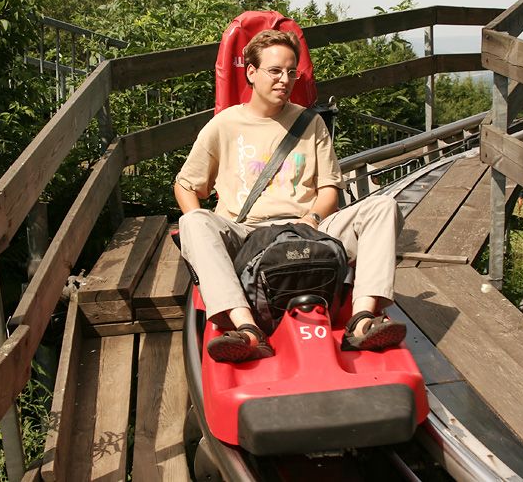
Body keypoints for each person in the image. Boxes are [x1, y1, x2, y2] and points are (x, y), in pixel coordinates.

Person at [174, 29, 406, 363]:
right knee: (193, 221)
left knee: (383, 206)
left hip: (308, 229)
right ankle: (246, 328)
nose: (284, 80)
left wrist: (312, 218)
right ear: (251, 72)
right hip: (247, 233)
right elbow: (185, 185)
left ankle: (362, 320)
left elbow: (329, 189)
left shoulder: (311, 123)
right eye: (274, 71)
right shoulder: (224, 125)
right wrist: (204, 246)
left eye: (291, 72)